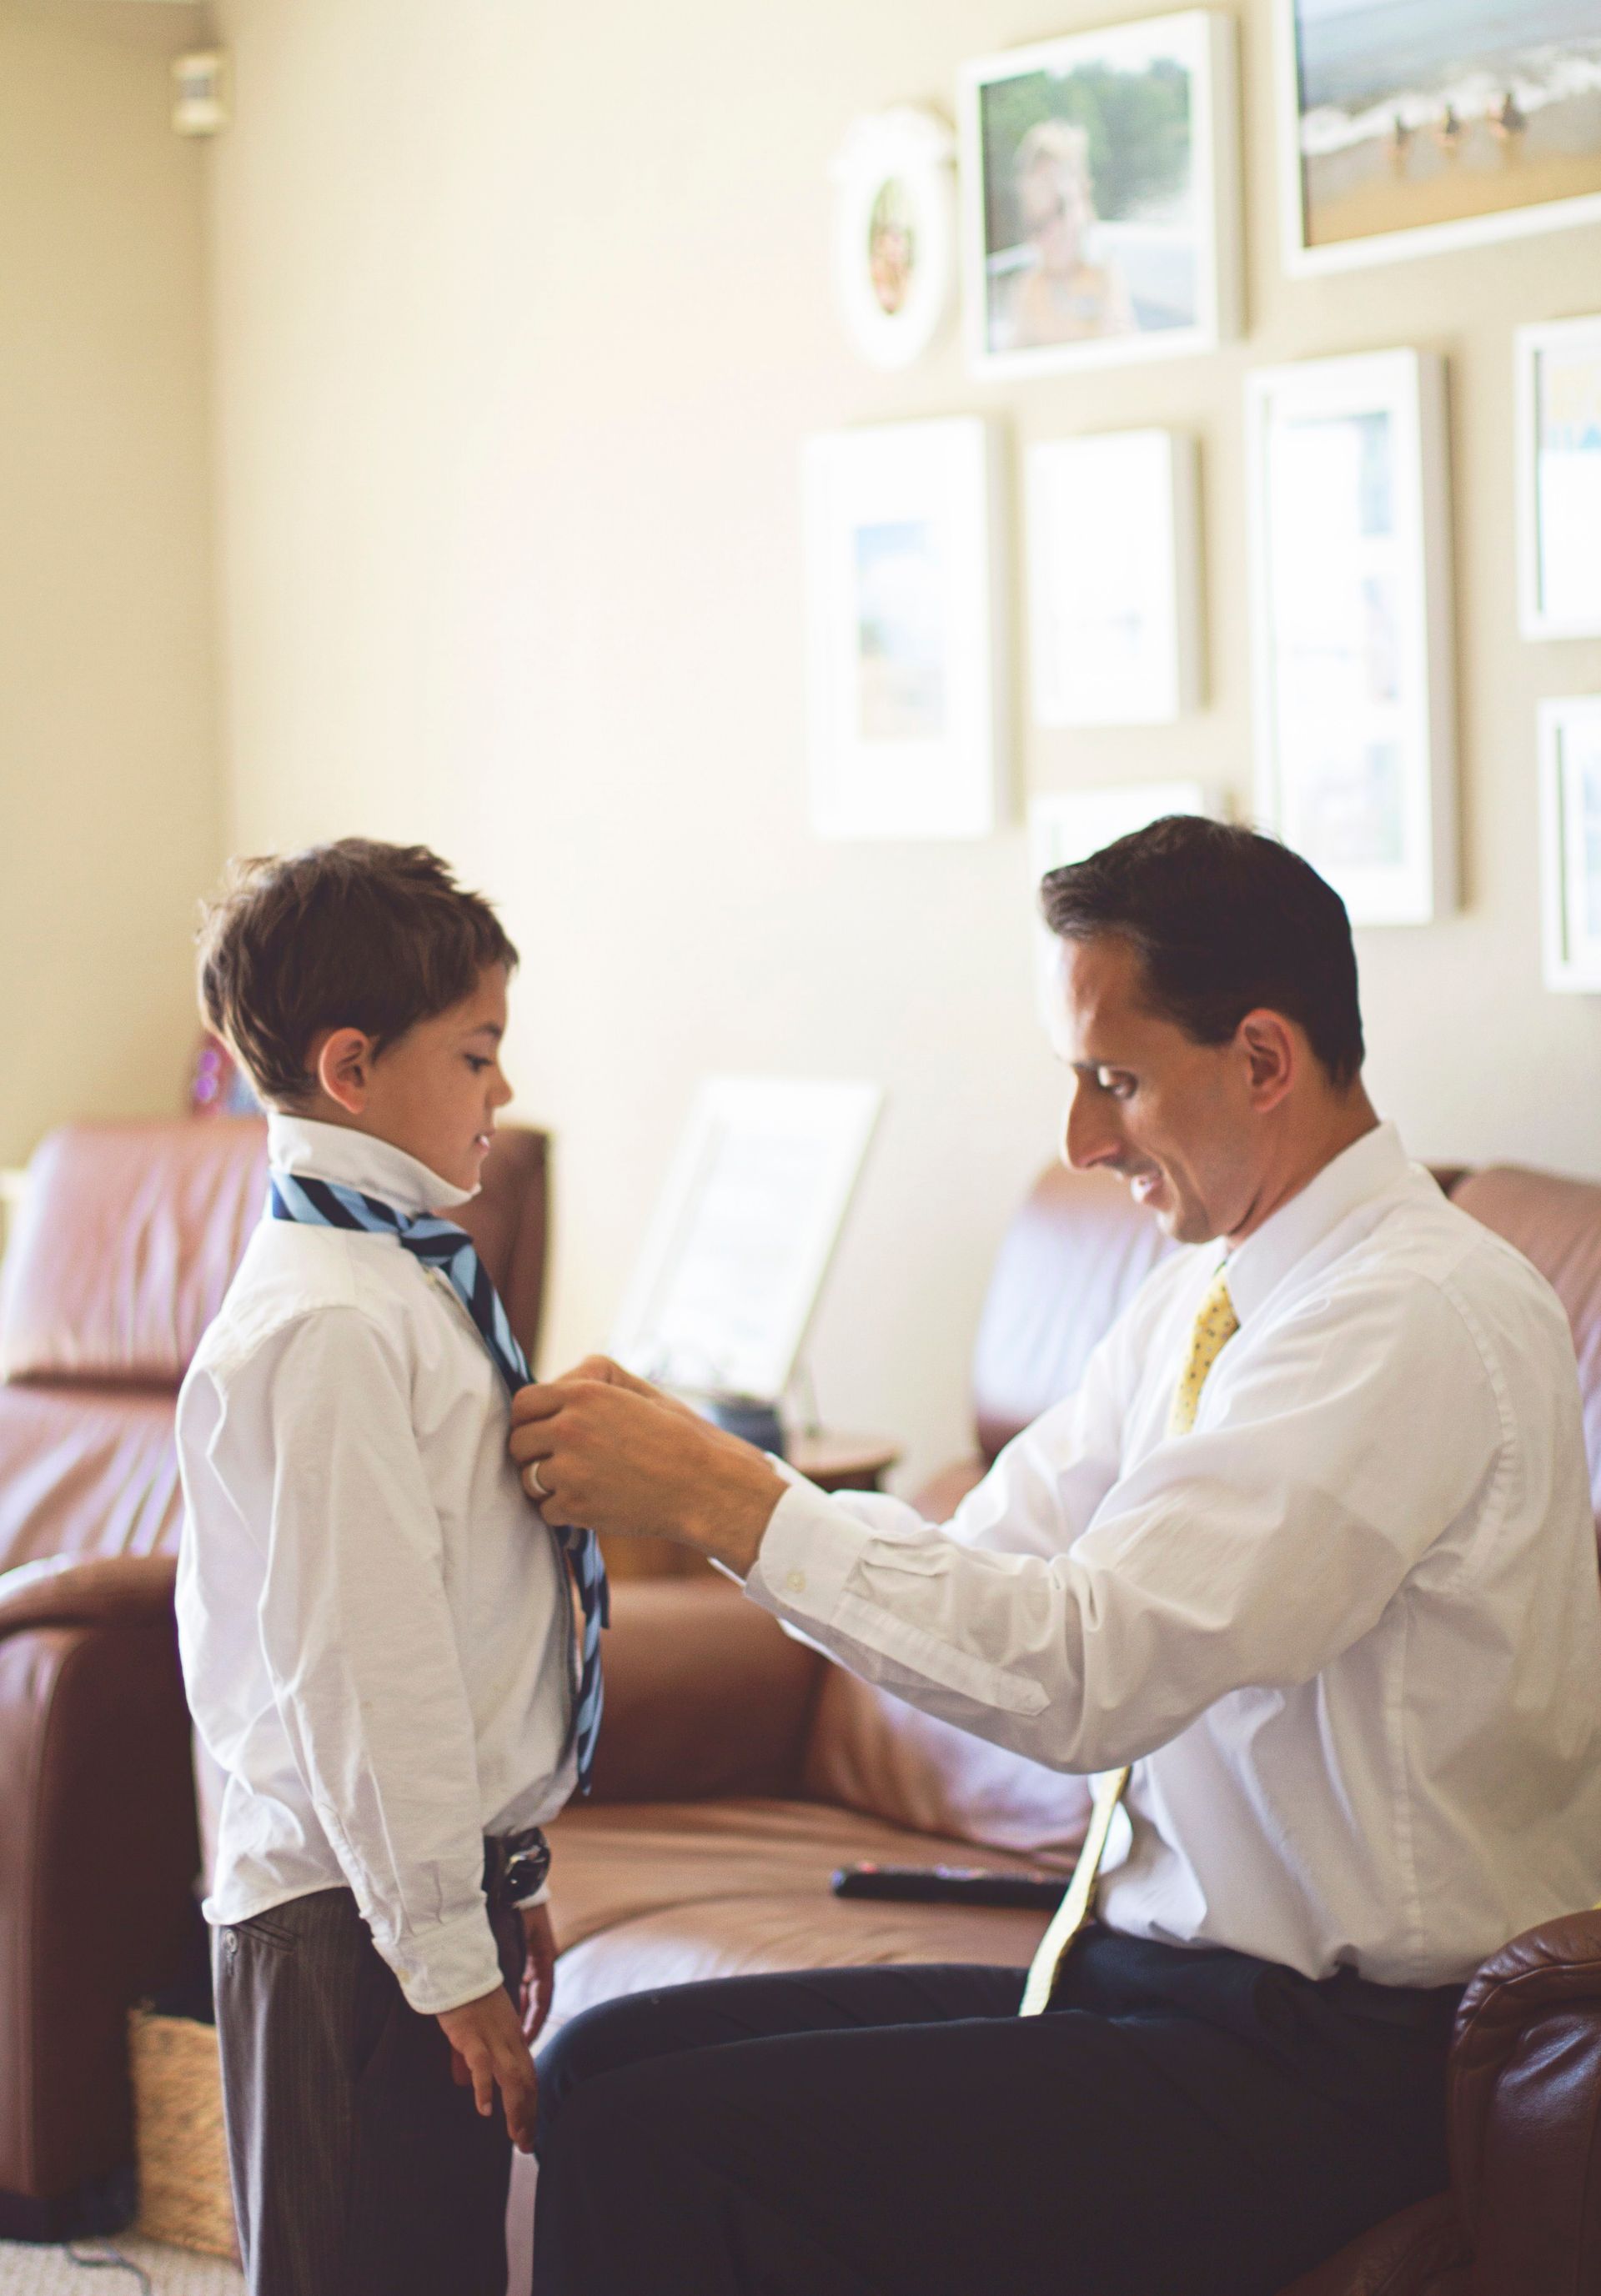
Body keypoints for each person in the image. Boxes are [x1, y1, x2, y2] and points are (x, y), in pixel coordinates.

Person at [510, 817, 1601, 2296]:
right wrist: (740, 1496)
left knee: (659, 2128)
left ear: (1265, 1058)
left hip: (1335, 2059)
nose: (1083, 1142)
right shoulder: (1205, 1293)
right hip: (1145, 1983)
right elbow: (991, 1561)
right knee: (599, 2061)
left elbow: (1091, 1671)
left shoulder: (1405, 1319)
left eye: (1116, 1078)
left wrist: (729, 1501)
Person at [175, 840, 606, 2296]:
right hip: (342, 1921)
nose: (500, 1090)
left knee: (435, 2253)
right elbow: (368, 1667)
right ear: (351, 1068)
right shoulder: (329, 1327)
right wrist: (441, 1946)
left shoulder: (401, 1284)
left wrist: (501, 1868)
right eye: (477, 1053)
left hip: (413, 1890)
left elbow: (464, 1628)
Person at [996, 118, 1134, 352]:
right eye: (1037, 224)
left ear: (1083, 197)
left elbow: (1127, 346)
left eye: (1060, 208)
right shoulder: (1028, 290)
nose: (1052, 232)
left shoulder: (1104, 278)